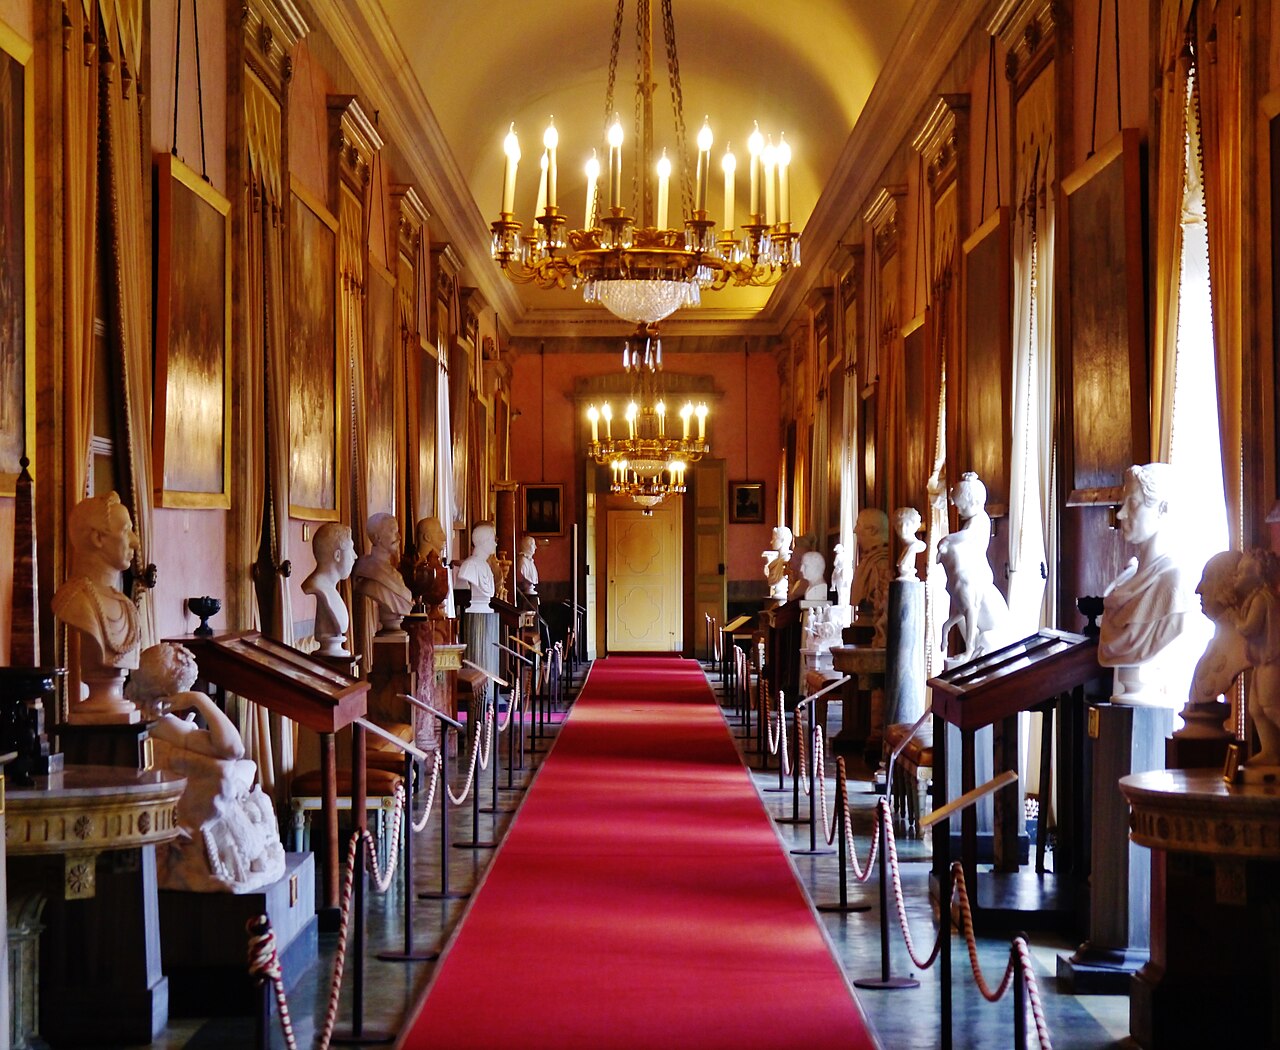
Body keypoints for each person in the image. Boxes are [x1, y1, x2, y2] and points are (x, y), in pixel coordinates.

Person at [126, 643, 285, 893]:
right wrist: (198, 700)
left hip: (176, 780)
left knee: (246, 768)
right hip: (188, 787)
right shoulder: (162, 724)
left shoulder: (138, 714)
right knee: (246, 767)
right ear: (168, 696)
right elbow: (233, 748)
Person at [1098, 463, 1201, 703]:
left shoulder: (1174, 582)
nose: (1121, 513)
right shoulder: (1124, 581)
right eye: (1123, 504)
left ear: (1162, 510)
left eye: (1132, 504)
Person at [52, 492, 142, 721]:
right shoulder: (74, 600)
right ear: (97, 538)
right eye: (126, 531)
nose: (135, 541)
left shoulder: (127, 607)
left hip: (119, 708)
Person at [937, 473, 1008, 662]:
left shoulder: (980, 519)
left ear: (974, 503)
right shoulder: (972, 518)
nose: (958, 510)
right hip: (970, 568)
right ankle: (969, 650)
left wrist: (946, 539)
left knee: (970, 607)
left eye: (961, 506)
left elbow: (966, 536)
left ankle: (970, 650)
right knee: (962, 606)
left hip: (977, 571)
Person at [1234, 549, 1280, 765]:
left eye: (1243, 572)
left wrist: (1236, 621)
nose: (1238, 576)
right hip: (1261, 663)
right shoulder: (1255, 598)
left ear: (1259, 574)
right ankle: (1270, 751)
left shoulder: (1262, 599)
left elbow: (1250, 627)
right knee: (1255, 709)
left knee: (1271, 707)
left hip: (1271, 662)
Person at [301, 522, 356, 657]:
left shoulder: (329, 589)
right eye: (352, 549)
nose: (355, 556)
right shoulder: (319, 587)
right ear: (337, 555)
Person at [353, 512, 413, 633]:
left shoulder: (395, 573)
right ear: (377, 537)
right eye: (392, 531)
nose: (399, 536)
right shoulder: (367, 569)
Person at [850, 509, 892, 644]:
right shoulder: (868, 560)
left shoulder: (881, 563)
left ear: (873, 530)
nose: (855, 530)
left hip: (871, 629)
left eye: (859, 525)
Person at [457, 522, 498, 613]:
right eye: (492, 540)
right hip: (475, 609)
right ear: (483, 541)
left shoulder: (486, 566)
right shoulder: (469, 566)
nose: (495, 544)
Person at [763, 524, 793, 600]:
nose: (771, 542)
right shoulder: (777, 561)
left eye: (774, 538)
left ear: (782, 540)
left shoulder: (787, 561)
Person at [894, 506, 925, 582]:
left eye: (907, 525)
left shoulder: (917, 546)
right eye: (899, 525)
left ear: (915, 526)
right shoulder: (905, 547)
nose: (903, 529)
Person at [831, 542, 852, 608]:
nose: (837, 551)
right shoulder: (846, 555)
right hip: (847, 571)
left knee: (833, 576)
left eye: (837, 550)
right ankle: (847, 602)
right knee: (847, 589)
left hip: (840, 569)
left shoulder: (838, 556)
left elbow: (835, 563)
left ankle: (833, 586)